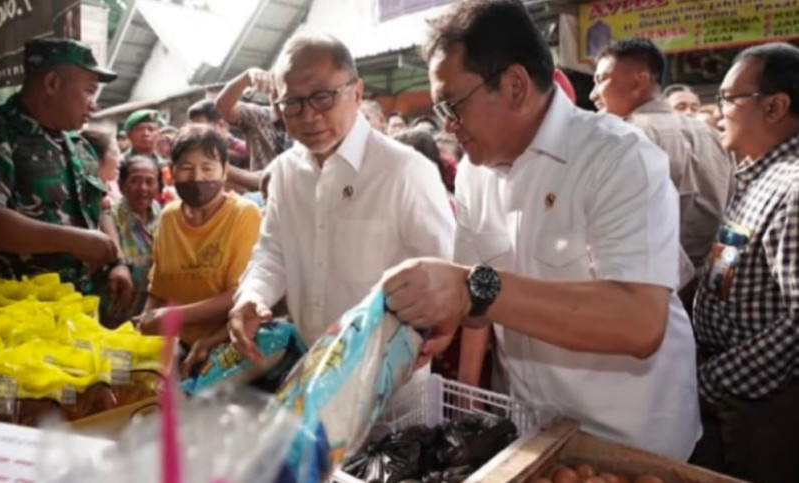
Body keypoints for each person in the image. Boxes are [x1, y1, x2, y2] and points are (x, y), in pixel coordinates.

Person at [380, 0, 699, 460]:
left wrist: (471, 289)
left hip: (630, 439)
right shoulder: (475, 174)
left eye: (452, 105)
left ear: (513, 86)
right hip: (535, 430)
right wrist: (438, 315)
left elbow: (639, 321)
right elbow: (477, 305)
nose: (447, 125)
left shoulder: (618, 158)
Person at [227, 33, 454, 360]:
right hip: (310, 368)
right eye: (293, 103)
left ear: (357, 92)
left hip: (390, 379)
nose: (308, 115)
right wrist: (253, 294)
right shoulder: (285, 173)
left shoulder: (404, 171)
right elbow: (273, 252)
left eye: (323, 97)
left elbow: (444, 271)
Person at [689, 43, 799, 483]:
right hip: (734, 392)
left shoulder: (792, 186)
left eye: (730, 98)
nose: (719, 112)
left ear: (774, 106)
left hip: (760, 402)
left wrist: (714, 380)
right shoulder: (757, 173)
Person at [0, 38, 131, 306]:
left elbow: (101, 206)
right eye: (89, 91)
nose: (94, 105)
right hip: (11, 312)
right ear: (53, 83)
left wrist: (118, 262)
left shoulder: (79, 145)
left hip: (74, 307)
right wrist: (74, 241)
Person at [591, 39, 733, 298]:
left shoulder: (623, 136)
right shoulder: (710, 134)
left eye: (600, 80)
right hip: (713, 288)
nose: (593, 95)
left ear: (638, 81)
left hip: (656, 291)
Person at [136, 124, 261, 375]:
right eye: (186, 168)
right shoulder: (169, 217)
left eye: (207, 168)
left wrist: (173, 316)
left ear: (224, 171)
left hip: (225, 344)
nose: (198, 177)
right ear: (172, 172)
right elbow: (158, 290)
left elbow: (239, 294)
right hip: (173, 346)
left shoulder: (243, 214)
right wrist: (143, 327)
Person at [106, 155, 162, 326]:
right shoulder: (110, 217)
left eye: (150, 181)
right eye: (135, 180)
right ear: (121, 186)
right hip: (114, 312)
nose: (143, 188)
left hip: (150, 311)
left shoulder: (162, 214)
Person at [215, 67, 291, 192]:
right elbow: (222, 107)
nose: (278, 99)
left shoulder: (312, 120)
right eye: (274, 91)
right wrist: (246, 77)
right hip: (264, 196)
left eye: (285, 93)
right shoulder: (260, 115)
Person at [187, 99, 250, 190]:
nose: (196, 134)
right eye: (194, 129)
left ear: (221, 125)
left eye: (201, 129)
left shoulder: (243, 150)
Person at [81, 128, 122, 205]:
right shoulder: (84, 196)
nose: (120, 159)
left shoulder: (114, 186)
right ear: (96, 158)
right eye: (115, 153)